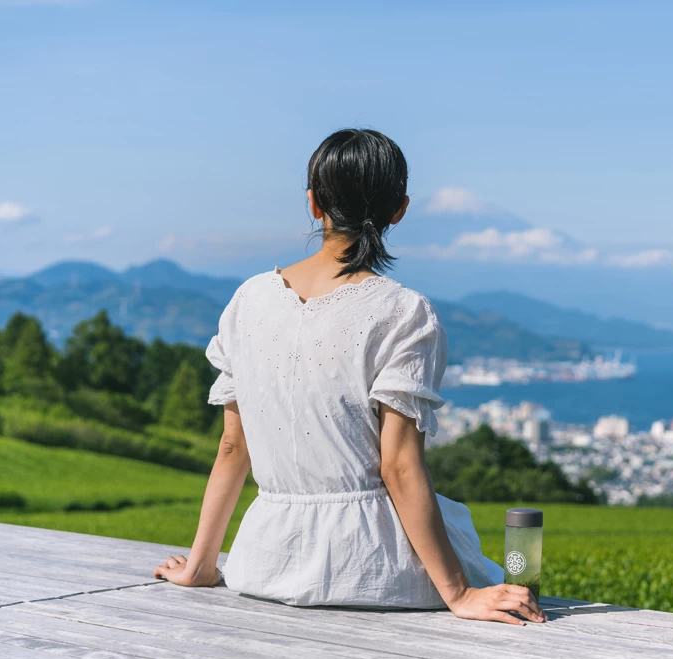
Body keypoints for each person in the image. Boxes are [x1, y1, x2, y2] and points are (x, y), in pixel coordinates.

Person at [153, 129, 545, 625]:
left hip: (264, 565)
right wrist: (460, 594)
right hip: (380, 569)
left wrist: (202, 566)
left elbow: (233, 448)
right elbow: (399, 467)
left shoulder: (248, 300)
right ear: (399, 209)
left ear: (314, 204)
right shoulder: (404, 312)